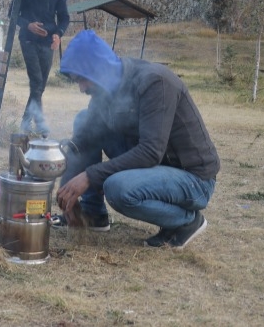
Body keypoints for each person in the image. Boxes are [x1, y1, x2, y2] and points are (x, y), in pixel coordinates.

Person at [54, 30, 220, 249]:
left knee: (117, 188)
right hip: (156, 167)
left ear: (99, 69)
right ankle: (93, 214)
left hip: (193, 179)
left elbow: (151, 151)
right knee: (85, 120)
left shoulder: (155, 82)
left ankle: (186, 222)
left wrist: (91, 176)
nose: (82, 88)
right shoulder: (105, 93)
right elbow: (83, 141)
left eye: (83, 79)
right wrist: (67, 189)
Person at [16, 0, 70, 135]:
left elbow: (64, 18)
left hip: (48, 43)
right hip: (28, 39)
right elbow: (13, 14)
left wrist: (58, 34)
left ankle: (28, 124)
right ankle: (35, 125)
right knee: (37, 81)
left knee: (39, 86)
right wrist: (28, 25)